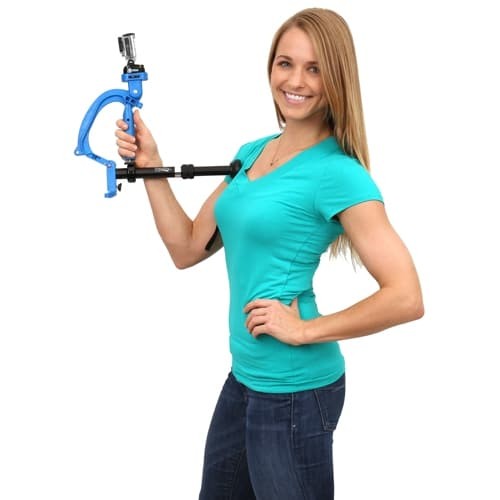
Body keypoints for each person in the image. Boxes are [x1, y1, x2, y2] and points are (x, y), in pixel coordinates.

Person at [115, 7, 424, 499]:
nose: (295, 81)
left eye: (314, 68)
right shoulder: (253, 152)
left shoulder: (339, 174)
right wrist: (151, 165)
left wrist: (303, 329)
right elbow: (186, 247)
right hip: (245, 378)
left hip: (295, 392)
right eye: (286, 63)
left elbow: (406, 296)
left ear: (337, 78)